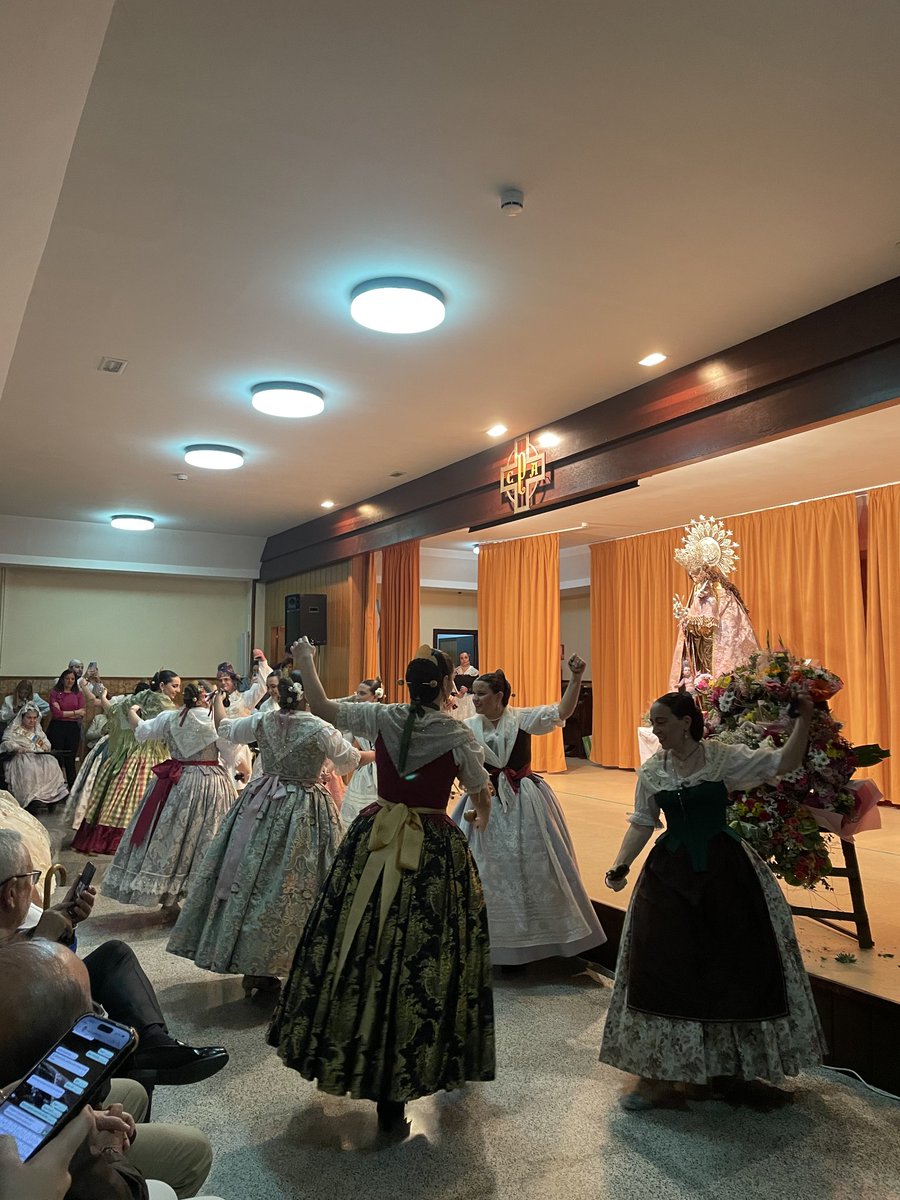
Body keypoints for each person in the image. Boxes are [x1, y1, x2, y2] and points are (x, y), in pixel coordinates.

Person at [269, 639, 494, 1137]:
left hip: (375, 838)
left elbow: (325, 707)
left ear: (407, 685)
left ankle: (352, 1050)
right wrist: (479, 814)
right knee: (424, 955)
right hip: (433, 850)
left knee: (359, 941)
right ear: (445, 690)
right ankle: (408, 1074)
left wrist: (307, 661)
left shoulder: (385, 718)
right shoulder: (456, 734)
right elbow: (479, 791)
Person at [599, 690, 825, 1110]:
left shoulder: (722, 759)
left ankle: (731, 1074)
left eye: (662, 721)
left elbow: (783, 763)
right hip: (669, 877)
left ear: (686, 722)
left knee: (734, 965)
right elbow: (642, 822)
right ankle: (660, 1077)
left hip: (726, 875)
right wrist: (620, 865)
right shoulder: (652, 771)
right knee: (662, 966)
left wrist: (803, 723)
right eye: (654, 722)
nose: (656, 730)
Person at [168, 675, 359, 997]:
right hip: (304, 806)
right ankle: (296, 959)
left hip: (260, 803)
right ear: (306, 696)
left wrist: (216, 701)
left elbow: (226, 729)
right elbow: (349, 759)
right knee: (297, 884)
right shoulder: (321, 728)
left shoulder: (264, 720)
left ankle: (253, 964)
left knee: (251, 878)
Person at [0, 830, 229, 1093]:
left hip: (38, 1000)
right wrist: (42, 942)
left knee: (114, 956)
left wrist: (60, 926)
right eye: (31, 878)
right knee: (131, 1061)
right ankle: (136, 1059)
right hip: (25, 1044)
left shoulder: (18, 923)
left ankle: (153, 1043)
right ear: (10, 893)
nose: (34, 886)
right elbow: (18, 1002)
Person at [0, 940, 224, 1200]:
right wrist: (110, 1152)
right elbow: (127, 1193)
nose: (102, 1015)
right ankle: (149, 1047)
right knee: (194, 1151)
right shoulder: (45, 1174)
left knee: (135, 1091)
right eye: (92, 1010)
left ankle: (150, 1048)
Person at [451, 656, 606, 966]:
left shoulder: (522, 718)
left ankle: (539, 941)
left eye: (481, 694)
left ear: (499, 696)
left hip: (525, 800)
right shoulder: (467, 726)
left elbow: (562, 711)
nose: (475, 698)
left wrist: (575, 677)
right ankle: (490, 943)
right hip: (485, 801)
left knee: (534, 862)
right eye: (473, 693)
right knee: (486, 866)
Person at [102, 684, 237, 909]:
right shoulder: (214, 721)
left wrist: (132, 711)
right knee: (206, 835)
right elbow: (230, 754)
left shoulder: (169, 718)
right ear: (207, 698)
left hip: (176, 781)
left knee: (170, 836)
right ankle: (204, 897)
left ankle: (168, 898)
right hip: (210, 783)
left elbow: (142, 730)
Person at [73, 674, 179, 854]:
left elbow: (111, 710)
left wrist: (104, 697)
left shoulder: (136, 698)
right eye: (174, 686)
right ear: (162, 685)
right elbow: (178, 724)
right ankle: (138, 837)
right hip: (149, 754)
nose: (177, 691)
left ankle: (104, 836)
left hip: (128, 755)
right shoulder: (163, 702)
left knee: (118, 794)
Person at [670, 514, 759, 690]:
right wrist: (686, 621)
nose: (693, 577)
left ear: (705, 571)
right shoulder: (696, 591)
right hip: (701, 647)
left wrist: (689, 620)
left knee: (717, 680)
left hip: (718, 644)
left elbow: (713, 624)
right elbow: (697, 626)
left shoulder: (719, 592)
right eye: (691, 574)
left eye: (696, 572)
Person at [213, 654, 270, 789]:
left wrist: (262, 662)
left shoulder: (245, 699)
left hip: (238, 751)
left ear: (233, 681)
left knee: (239, 789)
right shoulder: (214, 700)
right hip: (219, 752)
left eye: (226, 679)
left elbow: (262, 688)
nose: (223, 683)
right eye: (220, 680)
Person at [0, 704, 68, 812]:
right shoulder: (14, 729)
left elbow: (46, 743)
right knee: (29, 768)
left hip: (39, 756)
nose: (32, 721)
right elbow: (6, 742)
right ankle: (31, 799)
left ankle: (51, 797)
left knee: (52, 763)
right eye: (29, 718)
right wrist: (17, 747)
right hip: (21, 757)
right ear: (22, 717)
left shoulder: (37, 731)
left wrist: (45, 746)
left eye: (34, 718)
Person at [335, 677, 382, 830]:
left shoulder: (384, 716)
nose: (358, 697)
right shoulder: (357, 718)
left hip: (382, 770)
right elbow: (347, 743)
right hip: (363, 771)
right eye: (357, 693)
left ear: (375, 696)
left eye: (362, 693)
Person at [48, 669, 86, 790]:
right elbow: (57, 714)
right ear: (62, 679)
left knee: (70, 759)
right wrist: (75, 712)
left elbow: (82, 713)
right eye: (67, 678)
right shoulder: (55, 693)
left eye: (72, 679)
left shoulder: (78, 694)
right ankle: (56, 788)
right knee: (57, 758)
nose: (70, 681)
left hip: (73, 728)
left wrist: (65, 712)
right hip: (57, 727)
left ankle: (72, 788)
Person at [450, 650, 479, 721]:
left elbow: (477, 686)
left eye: (466, 657)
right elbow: (451, 685)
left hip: (469, 699)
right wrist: (456, 693)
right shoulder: (456, 671)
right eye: (461, 658)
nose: (464, 660)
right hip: (457, 699)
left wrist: (468, 689)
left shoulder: (474, 672)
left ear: (469, 658)